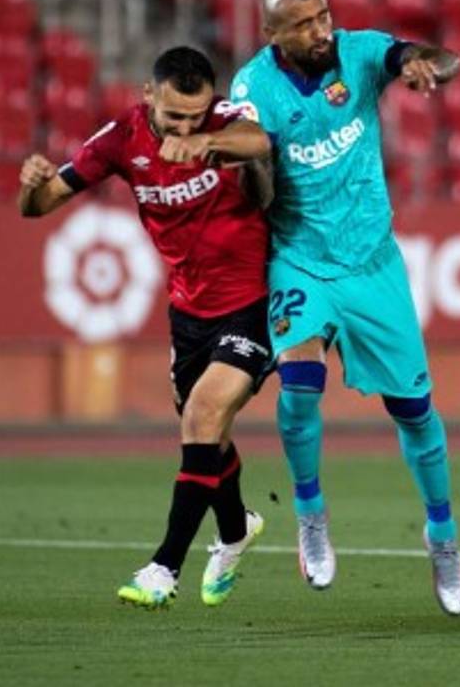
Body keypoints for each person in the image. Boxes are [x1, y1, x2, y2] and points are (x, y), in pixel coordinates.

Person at [228, 0, 460, 616]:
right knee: (300, 390)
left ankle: (443, 539)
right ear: (271, 32)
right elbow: (254, 184)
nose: (321, 30)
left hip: (373, 263)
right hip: (300, 262)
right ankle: (310, 514)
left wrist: (428, 67)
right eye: (304, 24)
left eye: (324, 15)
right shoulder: (254, 88)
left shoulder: (359, 54)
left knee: (416, 412)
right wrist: (254, 172)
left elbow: (424, 55)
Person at [17, 45, 273, 610]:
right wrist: (30, 183)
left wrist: (206, 141)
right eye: (175, 115)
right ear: (148, 95)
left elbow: (261, 142)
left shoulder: (226, 125)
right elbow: (38, 206)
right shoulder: (119, 141)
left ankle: (164, 567)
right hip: (188, 314)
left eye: (196, 114)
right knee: (209, 436)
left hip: (254, 302)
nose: (185, 125)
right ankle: (235, 530)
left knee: (203, 415)